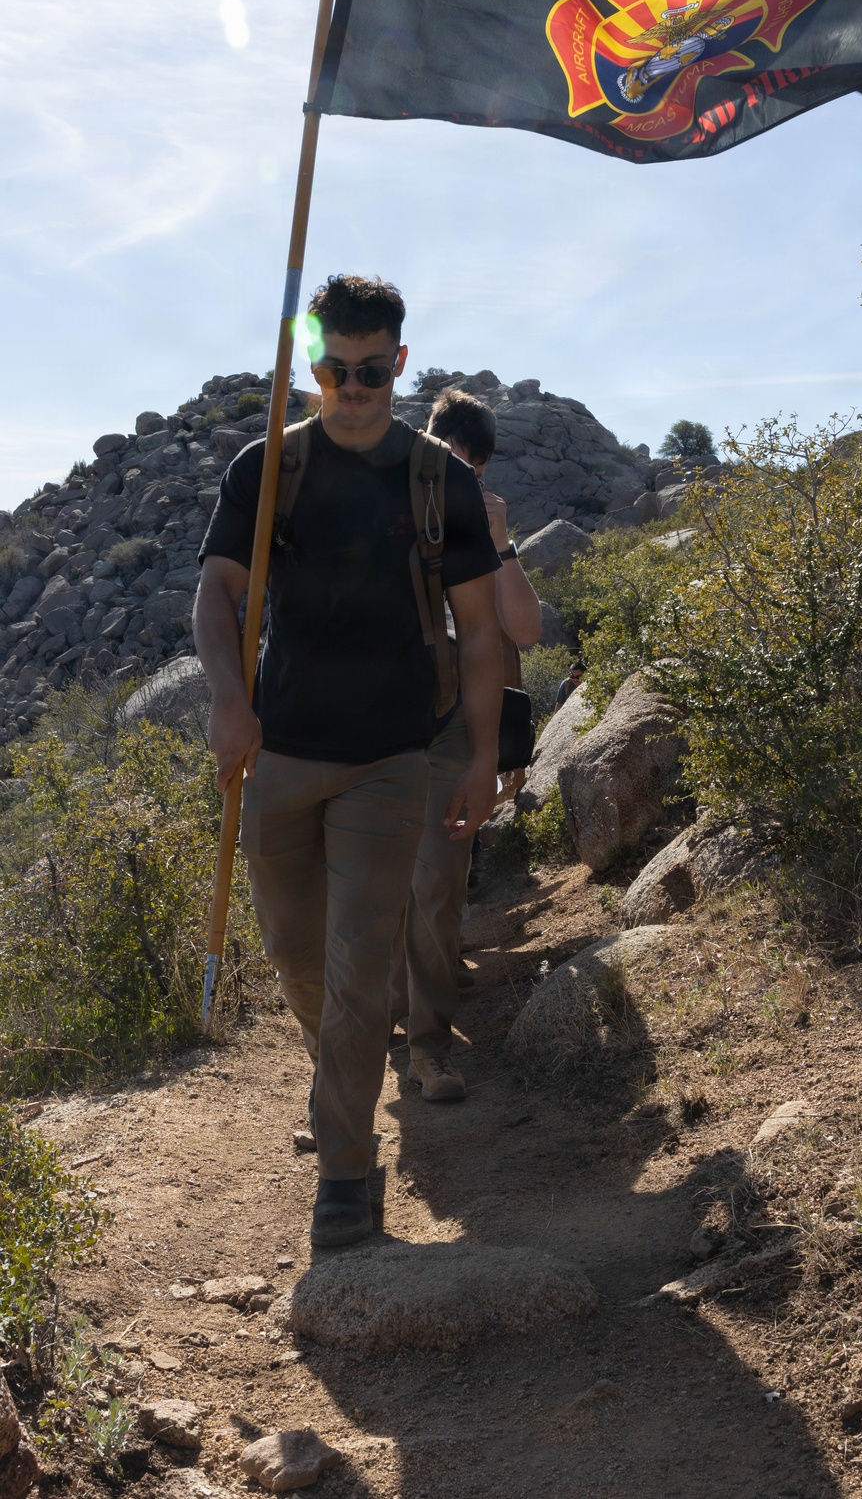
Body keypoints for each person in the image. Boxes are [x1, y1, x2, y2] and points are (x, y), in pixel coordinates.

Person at [193, 275, 503, 1249]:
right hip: (279, 751)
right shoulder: (266, 471)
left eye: (373, 371)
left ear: (400, 364)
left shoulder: (437, 481)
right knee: (296, 956)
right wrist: (228, 700)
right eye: (335, 368)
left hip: (389, 759)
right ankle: (343, 1078)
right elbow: (217, 594)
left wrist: (483, 755)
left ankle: (345, 1171)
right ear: (313, 358)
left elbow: (485, 628)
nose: (354, 386)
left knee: (360, 961)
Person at [392, 387, 542, 1102]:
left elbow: (523, 628)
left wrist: (500, 540)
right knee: (375, 880)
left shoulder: (480, 523)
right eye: (456, 461)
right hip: (379, 719)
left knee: (439, 882)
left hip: (452, 721)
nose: (463, 477)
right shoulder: (386, 494)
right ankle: (387, 1012)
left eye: (474, 469)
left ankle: (428, 1045)